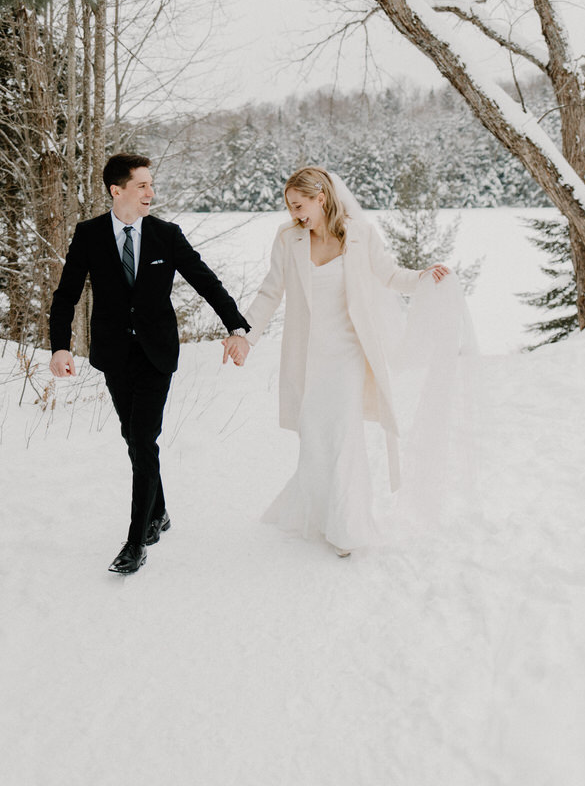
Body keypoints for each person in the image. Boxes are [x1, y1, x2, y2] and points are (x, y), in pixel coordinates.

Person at [222, 166, 450, 558]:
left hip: (347, 354)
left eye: (299, 205)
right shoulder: (288, 238)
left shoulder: (359, 234)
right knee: (314, 439)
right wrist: (244, 335)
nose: (295, 214)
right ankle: (314, 513)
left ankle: (346, 527)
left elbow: (390, 275)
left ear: (320, 198)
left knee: (344, 437)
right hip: (306, 357)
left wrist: (425, 277)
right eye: (290, 207)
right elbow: (270, 291)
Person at [49, 153, 250, 575]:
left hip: (158, 354)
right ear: (116, 190)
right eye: (142, 185)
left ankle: (136, 541)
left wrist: (236, 328)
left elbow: (206, 281)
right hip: (114, 355)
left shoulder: (165, 234)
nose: (150, 193)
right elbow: (66, 294)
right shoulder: (88, 235)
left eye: (151, 185)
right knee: (133, 437)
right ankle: (159, 512)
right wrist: (60, 346)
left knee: (143, 439)